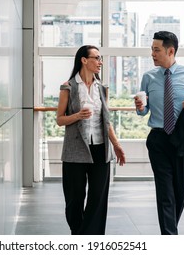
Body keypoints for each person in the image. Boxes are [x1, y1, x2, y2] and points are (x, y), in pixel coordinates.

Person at [134, 31, 184, 235]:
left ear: (170, 51)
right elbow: (143, 111)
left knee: (180, 192)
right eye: (152, 49)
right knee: (165, 192)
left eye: (156, 50)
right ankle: (169, 237)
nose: (152, 54)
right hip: (158, 139)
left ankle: (170, 230)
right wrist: (140, 106)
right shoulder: (148, 77)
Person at [56, 45, 126, 235]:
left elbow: (107, 120)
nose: (100, 62)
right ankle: (78, 234)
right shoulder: (68, 87)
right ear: (84, 60)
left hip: (100, 149)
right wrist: (78, 115)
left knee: (98, 198)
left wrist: (116, 145)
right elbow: (59, 119)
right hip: (75, 150)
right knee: (74, 199)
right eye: (96, 58)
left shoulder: (102, 88)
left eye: (100, 58)